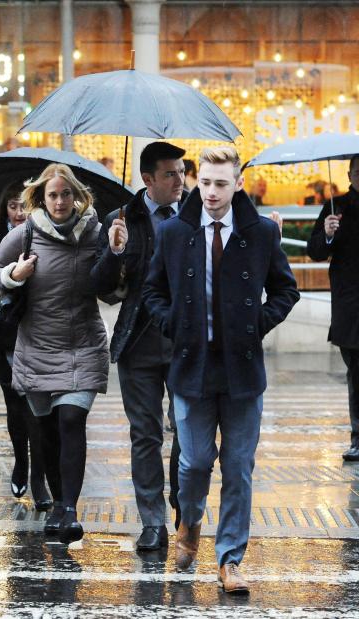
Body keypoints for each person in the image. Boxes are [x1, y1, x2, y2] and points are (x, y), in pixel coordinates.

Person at [143, 146, 299, 593]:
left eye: (220, 184)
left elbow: (285, 291)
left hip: (242, 369)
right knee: (193, 464)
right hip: (191, 365)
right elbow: (153, 291)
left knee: (238, 466)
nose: (210, 193)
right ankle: (189, 521)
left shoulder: (262, 232)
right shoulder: (176, 231)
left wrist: (256, 324)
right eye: (204, 182)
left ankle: (230, 559)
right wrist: (172, 323)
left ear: (237, 184)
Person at [0, 163, 109, 545]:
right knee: (48, 431)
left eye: (66, 194)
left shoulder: (96, 233)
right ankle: (58, 503)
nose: (59, 201)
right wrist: (14, 275)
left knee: (71, 419)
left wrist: (117, 253)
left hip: (83, 343)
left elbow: (112, 288)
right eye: (53, 195)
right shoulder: (26, 234)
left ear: (77, 197)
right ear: (42, 198)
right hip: (36, 345)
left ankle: (69, 508)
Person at [91, 142, 188, 552]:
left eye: (182, 172)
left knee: (188, 433)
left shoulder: (197, 215)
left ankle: (184, 510)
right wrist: (114, 252)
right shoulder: (120, 219)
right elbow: (102, 289)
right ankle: (153, 521)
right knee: (145, 435)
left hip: (187, 342)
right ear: (148, 179)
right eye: (170, 174)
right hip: (139, 342)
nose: (180, 181)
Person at [0, 181, 52, 509]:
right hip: (6, 334)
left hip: (42, 333)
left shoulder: (46, 236)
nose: (19, 213)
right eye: (13, 207)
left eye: (24, 206)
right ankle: (21, 460)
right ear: (5, 209)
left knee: (39, 407)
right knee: (16, 406)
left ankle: (39, 478)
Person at [307, 154, 359, 461]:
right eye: (358, 171)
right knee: (357, 374)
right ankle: (358, 437)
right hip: (351, 306)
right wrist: (327, 233)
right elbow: (315, 251)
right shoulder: (335, 208)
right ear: (350, 175)